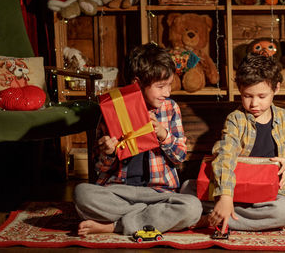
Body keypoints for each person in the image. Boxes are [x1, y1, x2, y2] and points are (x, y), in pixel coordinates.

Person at [73, 43, 202, 236]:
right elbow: (100, 168)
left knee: (192, 207)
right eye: (160, 87)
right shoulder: (113, 109)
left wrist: (163, 135)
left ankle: (114, 226)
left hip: (158, 194)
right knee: (81, 194)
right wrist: (107, 153)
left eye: (169, 85)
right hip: (119, 192)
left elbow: (180, 157)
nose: (167, 92)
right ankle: (150, 218)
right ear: (137, 83)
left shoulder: (169, 108)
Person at [182, 53, 285, 234]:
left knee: (284, 211)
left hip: (269, 194)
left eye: (262, 96)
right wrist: (225, 196)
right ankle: (225, 210)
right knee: (187, 188)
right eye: (247, 96)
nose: (254, 103)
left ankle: (215, 217)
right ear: (240, 90)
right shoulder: (236, 119)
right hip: (235, 188)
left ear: (276, 88)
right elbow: (224, 155)